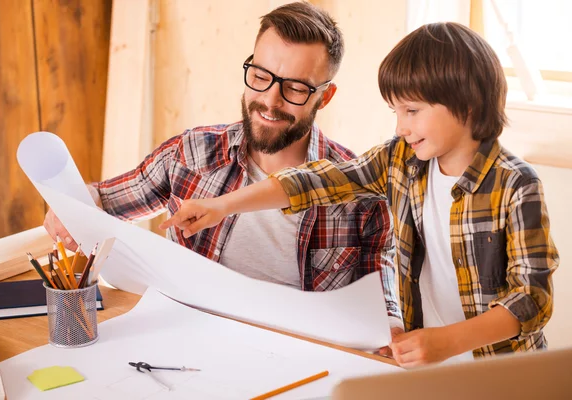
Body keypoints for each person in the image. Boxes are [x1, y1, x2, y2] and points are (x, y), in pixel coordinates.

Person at [161, 22, 559, 368]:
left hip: (500, 371)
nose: (401, 127)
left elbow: (533, 298)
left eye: (412, 111)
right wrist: (221, 206)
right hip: (425, 362)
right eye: (395, 113)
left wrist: (447, 341)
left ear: (467, 105)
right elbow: (316, 181)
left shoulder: (515, 184)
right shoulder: (401, 160)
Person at [43, 2, 401, 329]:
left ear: (325, 96)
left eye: (294, 88)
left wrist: (392, 329)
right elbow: (105, 199)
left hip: (296, 362)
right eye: (261, 77)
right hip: (186, 345)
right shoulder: (192, 153)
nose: (269, 102)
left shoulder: (359, 192)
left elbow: (381, 304)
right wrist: (72, 205)